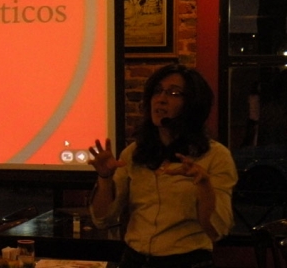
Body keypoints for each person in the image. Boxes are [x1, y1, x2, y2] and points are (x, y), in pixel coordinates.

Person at [87, 64, 238, 268]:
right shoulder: (133, 153)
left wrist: (204, 186)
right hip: (135, 260)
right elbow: (103, 219)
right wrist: (104, 178)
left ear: (192, 104)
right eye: (157, 91)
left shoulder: (215, 156)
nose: (161, 99)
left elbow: (217, 230)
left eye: (174, 93)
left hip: (186, 262)